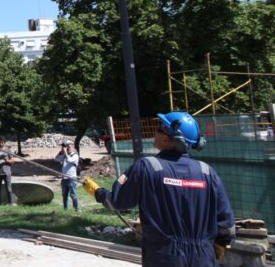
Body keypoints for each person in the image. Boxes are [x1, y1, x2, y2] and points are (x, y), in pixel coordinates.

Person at [84, 111, 235, 267]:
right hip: (203, 257)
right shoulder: (207, 172)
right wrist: (220, 244)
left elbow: (116, 201)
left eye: (159, 128)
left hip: (164, 256)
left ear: (168, 138)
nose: (154, 132)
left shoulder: (147, 167)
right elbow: (227, 225)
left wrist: (97, 192)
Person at [55, 140, 79, 211]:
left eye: (69, 145)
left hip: (72, 179)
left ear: (73, 146)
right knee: (64, 195)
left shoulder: (75, 156)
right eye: (67, 146)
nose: (67, 147)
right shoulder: (65, 155)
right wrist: (61, 152)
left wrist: (65, 152)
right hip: (64, 179)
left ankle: (76, 209)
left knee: (73, 195)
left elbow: (69, 160)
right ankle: (65, 209)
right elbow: (56, 159)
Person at [0, 136, 15, 205]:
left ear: (4, 143)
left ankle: (10, 203)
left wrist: (6, 160)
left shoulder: (8, 150)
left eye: (2, 142)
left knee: (9, 189)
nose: (0, 144)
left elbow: (12, 161)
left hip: (6, 172)